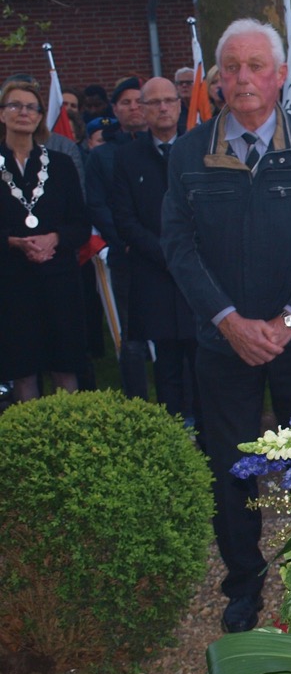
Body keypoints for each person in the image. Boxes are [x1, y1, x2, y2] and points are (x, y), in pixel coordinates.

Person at [161, 18, 291, 634]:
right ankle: (243, 582)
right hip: (224, 345)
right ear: (218, 79)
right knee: (231, 467)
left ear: (278, 76)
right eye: (232, 68)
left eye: (256, 67)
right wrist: (230, 322)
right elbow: (179, 246)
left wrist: (287, 320)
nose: (243, 79)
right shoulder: (189, 153)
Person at [111, 77, 198, 423]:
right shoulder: (127, 158)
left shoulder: (199, 150)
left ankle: (210, 442)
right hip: (155, 276)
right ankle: (174, 436)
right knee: (167, 366)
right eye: (154, 102)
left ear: (180, 105)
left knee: (203, 363)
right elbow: (125, 220)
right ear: (142, 110)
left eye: (169, 100)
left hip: (196, 277)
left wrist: (187, 255)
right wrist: (167, 254)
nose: (163, 107)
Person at [0, 79, 89, 401]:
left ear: (40, 116)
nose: (23, 112)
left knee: (65, 368)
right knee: (24, 371)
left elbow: (81, 224)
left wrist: (55, 238)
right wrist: (13, 243)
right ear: (2, 114)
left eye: (31, 107)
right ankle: (32, 444)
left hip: (59, 280)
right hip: (13, 284)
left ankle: (75, 441)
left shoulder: (61, 164)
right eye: (15, 105)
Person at [86, 75, 151, 400]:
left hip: (165, 254)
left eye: (140, 100)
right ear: (115, 109)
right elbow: (98, 204)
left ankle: (186, 407)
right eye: (126, 102)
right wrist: (126, 239)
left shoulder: (168, 145)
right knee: (133, 335)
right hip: (128, 254)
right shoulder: (103, 155)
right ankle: (138, 402)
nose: (134, 107)